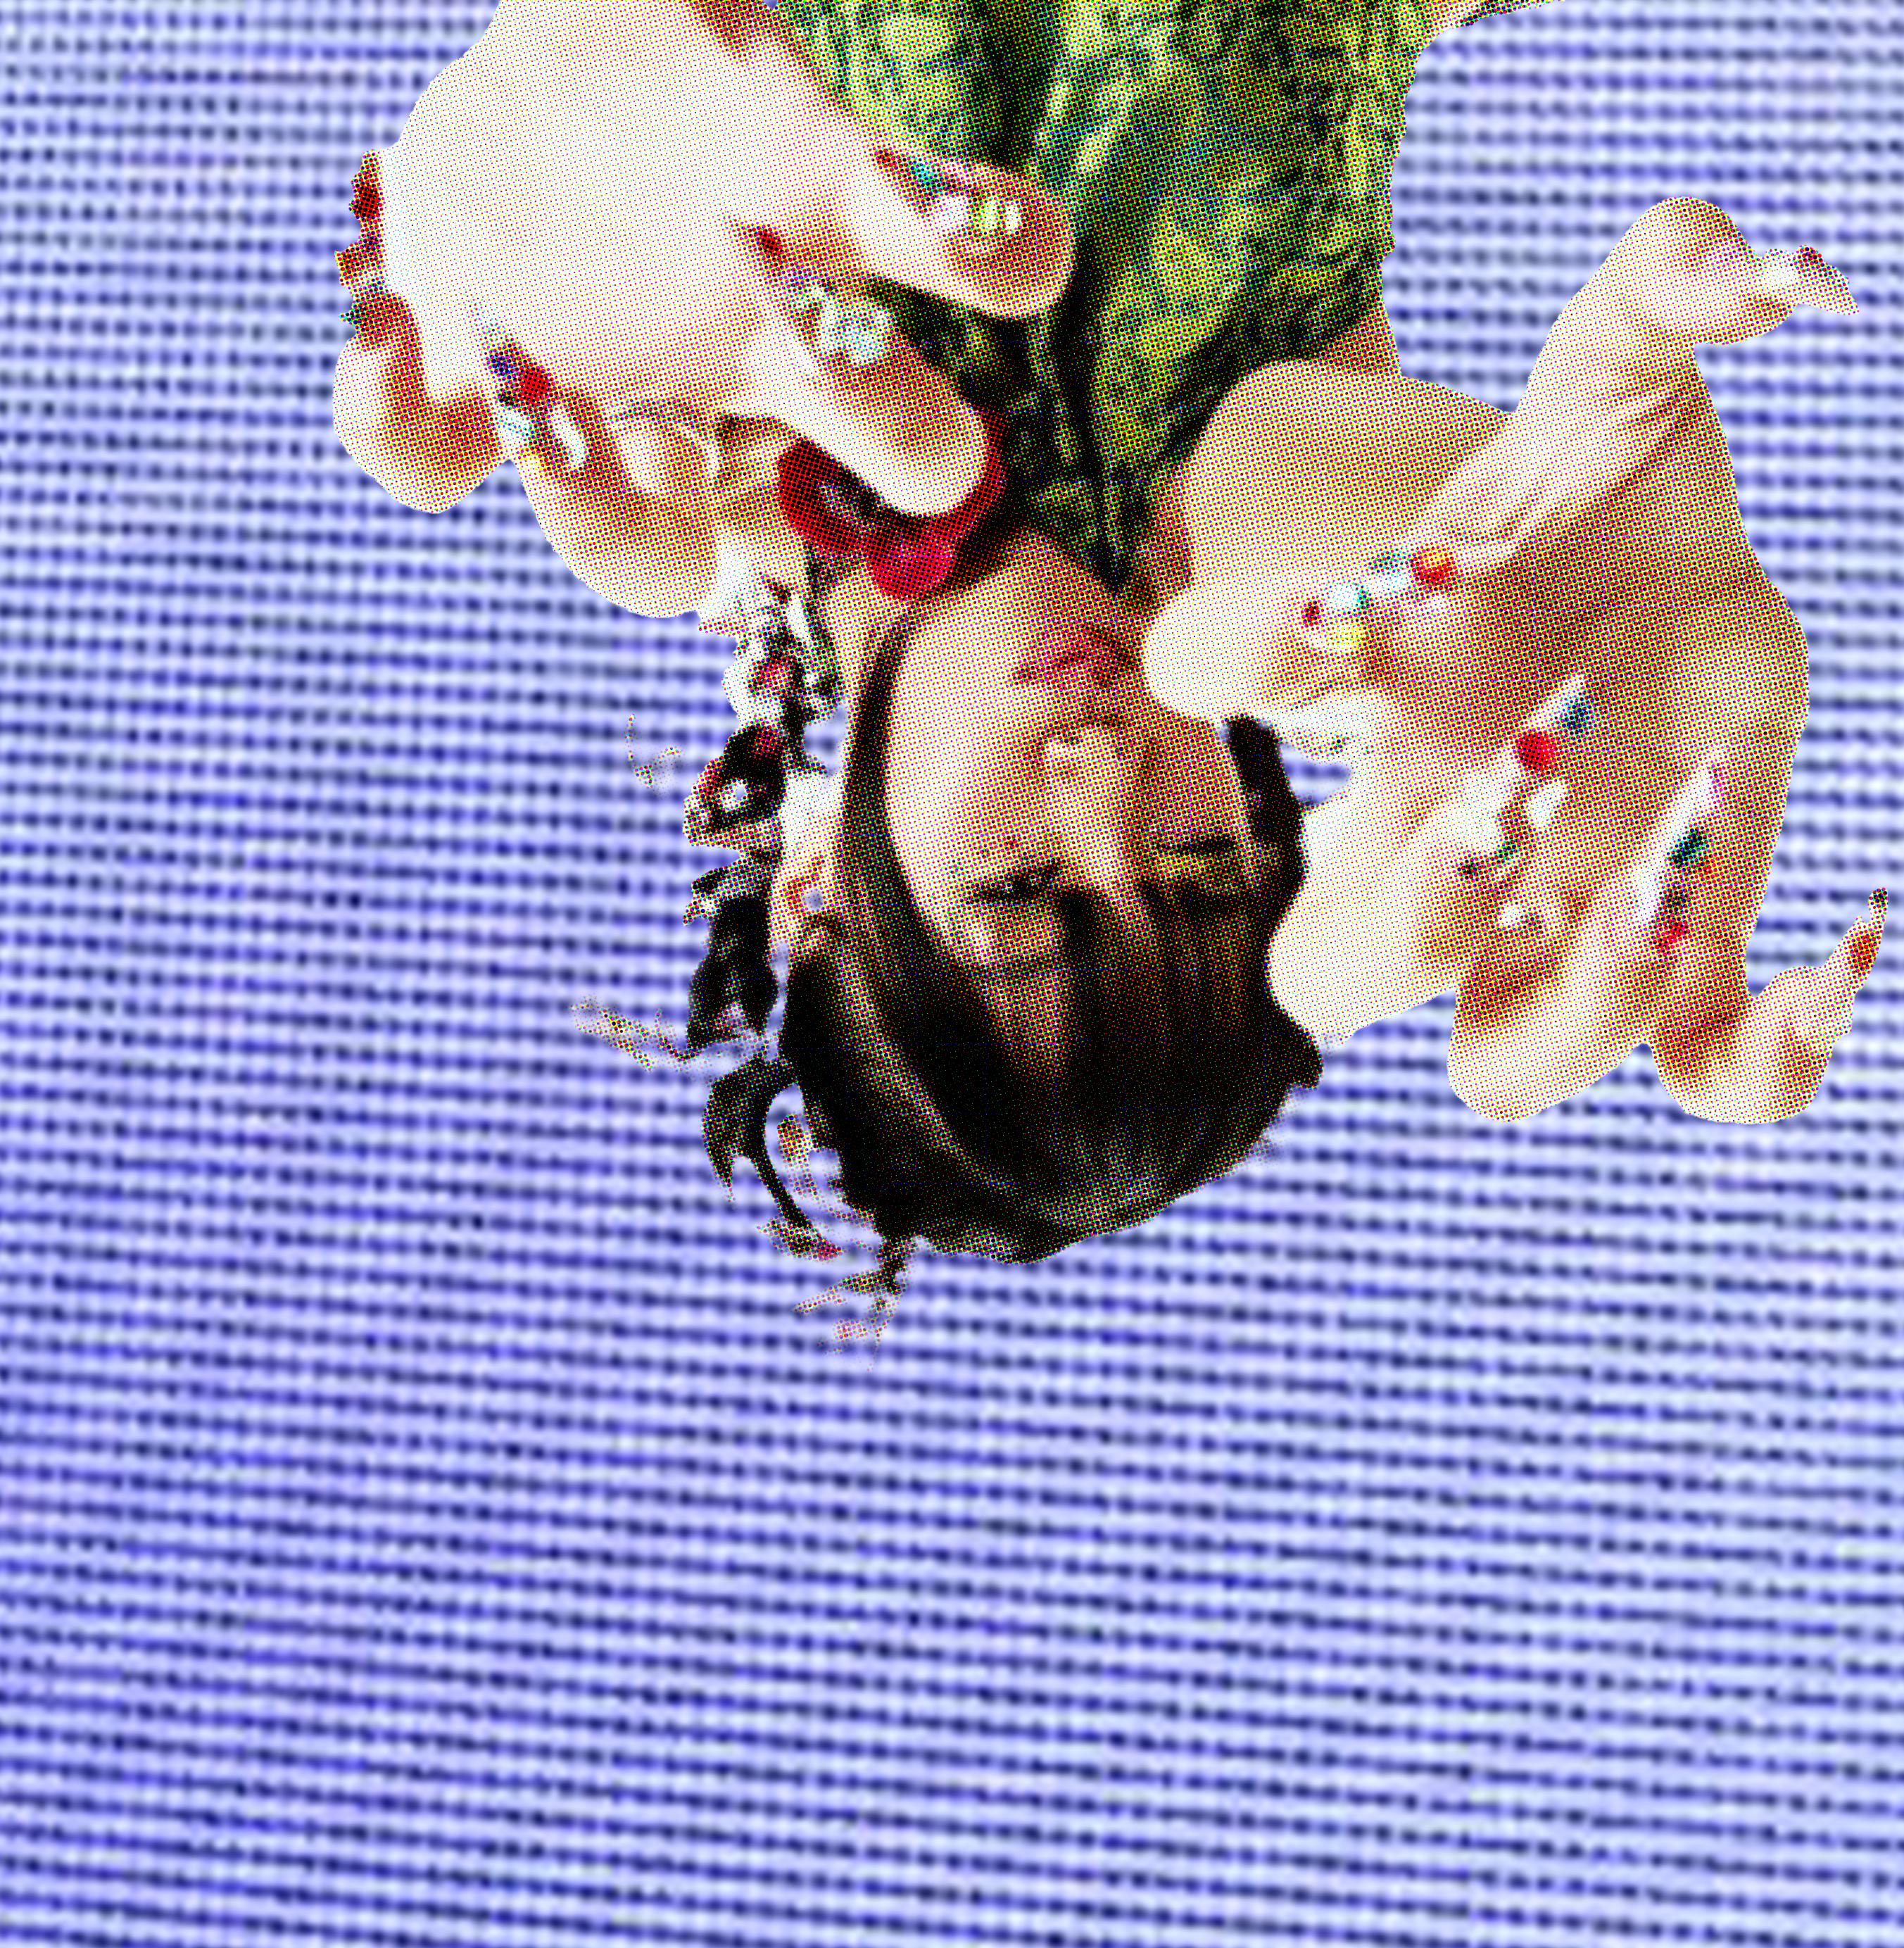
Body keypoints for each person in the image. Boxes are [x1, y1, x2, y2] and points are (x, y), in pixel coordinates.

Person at [333, 0, 1883, 1340]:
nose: (1104, 770)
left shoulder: (663, 424)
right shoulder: (1284, 510)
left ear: (820, 895)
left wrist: (509, 155)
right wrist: (1625, 577)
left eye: (1020, 883)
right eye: (1197, 860)